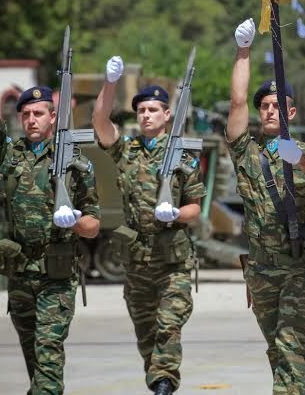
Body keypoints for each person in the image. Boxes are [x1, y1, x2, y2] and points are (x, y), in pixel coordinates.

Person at [0, 45, 101, 395]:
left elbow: (93, 226)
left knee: (48, 356)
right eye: (25, 114)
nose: (31, 119)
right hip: (19, 275)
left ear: (53, 117)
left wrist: (73, 220)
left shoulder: (76, 164)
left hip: (56, 277)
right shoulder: (9, 154)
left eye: (39, 113)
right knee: (33, 360)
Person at [227, 18, 305, 394]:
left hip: (300, 265)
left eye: (279, 106)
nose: (271, 111)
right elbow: (237, 102)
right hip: (261, 268)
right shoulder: (247, 152)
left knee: (291, 341)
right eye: (266, 106)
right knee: (277, 346)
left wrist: (302, 164)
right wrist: (243, 50)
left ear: (292, 113)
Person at [92, 56, 205, 395]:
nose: (145, 115)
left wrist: (176, 215)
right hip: (137, 260)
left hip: (173, 261)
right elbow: (99, 120)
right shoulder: (125, 150)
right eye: (140, 110)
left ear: (167, 115)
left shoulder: (184, 157)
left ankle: (165, 382)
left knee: (168, 326)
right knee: (146, 334)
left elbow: (195, 209)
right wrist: (110, 83)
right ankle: (158, 381)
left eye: (153, 110)